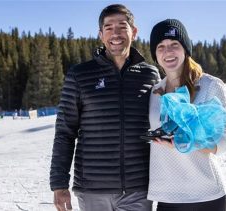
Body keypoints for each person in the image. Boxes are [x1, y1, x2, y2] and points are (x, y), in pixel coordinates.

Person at [50, 4, 160, 211]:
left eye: (122, 26)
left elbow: (160, 126)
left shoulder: (150, 75)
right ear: (101, 34)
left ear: (134, 32)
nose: (115, 34)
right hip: (92, 189)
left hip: (138, 189)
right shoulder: (79, 75)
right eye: (108, 28)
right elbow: (65, 132)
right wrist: (59, 184)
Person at [147, 19, 226, 211]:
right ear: (155, 54)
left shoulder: (210, 85)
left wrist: (189, 143)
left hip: (207, 194)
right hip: (167, 196)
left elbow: (224, 141)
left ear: (185, 49)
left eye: (174, 45)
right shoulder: (154, 92)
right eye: (161, 46)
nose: (168, 52)